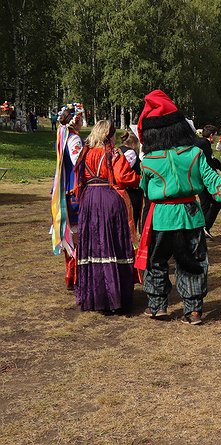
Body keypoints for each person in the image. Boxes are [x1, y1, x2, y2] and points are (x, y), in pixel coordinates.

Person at [135, 90, 221, 325]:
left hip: (161, 217)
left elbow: (144, 187)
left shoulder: (149, 161)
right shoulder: (194, 153)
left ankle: (157, 306)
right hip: (191, 216)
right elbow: (212, 182)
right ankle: (193, 310)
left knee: (157, 261)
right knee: (193, 262)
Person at [74, 120, 140, 312]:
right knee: (113, 242)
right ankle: (115, 297)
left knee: (94, 243)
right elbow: (123, 177)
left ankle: (95, 297)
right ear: (109, 134)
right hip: (109, 198)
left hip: (89, 200)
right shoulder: (112, 152)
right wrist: (140, 180)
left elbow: (79, 177)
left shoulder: (84, 152)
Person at [50, 103, 85, 290]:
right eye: (81, 118)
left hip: (65, 190)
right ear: (76, 120)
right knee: (77, 236)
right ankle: (76, 276)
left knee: (71, 235)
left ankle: (71, 275)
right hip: (74, 193)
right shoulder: (74, 140)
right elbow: (79, 164)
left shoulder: (63, 138)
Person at [196, 124, 221, 239]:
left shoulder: (203, 144)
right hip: (204, 179)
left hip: (201, 178)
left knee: (206, 204)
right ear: (212, 135)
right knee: (216, 201)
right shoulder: (202, 144)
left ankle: (203, 229)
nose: (216, 138)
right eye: (216, 136)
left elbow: (212, 159)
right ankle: (203, 228)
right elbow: (209, 161)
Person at [117, 129, 144, 231]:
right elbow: (123, 172)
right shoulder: (130, 153)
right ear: (133, 142)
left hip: (122, 192)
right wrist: (139, 179)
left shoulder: (118, 150)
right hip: (130, 193)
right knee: (130, 222)